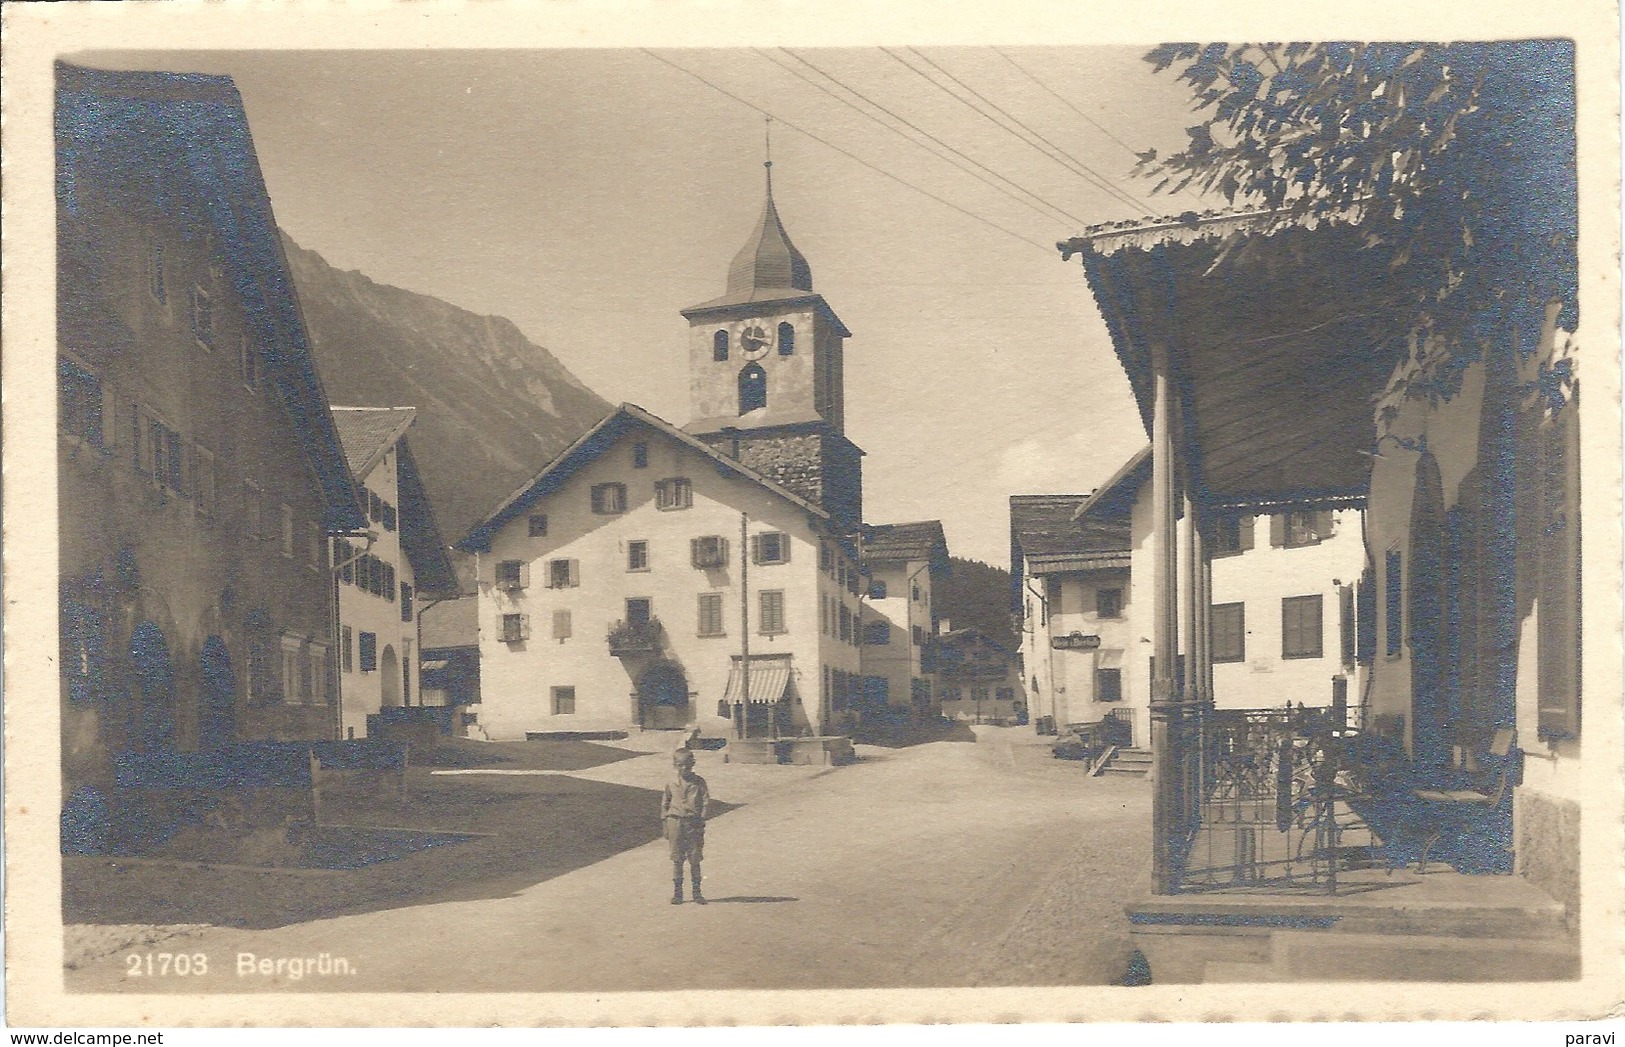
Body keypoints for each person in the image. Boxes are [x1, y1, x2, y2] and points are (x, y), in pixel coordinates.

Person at [661, 748, 709, 905]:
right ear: (675, 765)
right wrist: (665, 824)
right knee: (677, 858)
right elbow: (665, 803)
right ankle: (678, 893)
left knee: (695, 858)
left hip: (693, 823)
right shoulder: (671, 783)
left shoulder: (699, 782)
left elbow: (705, 802)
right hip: (675, 822)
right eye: (680, 765)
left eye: (687, 765)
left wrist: (701, 820)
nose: (684, 769)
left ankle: (697, 893)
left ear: (693, 764)